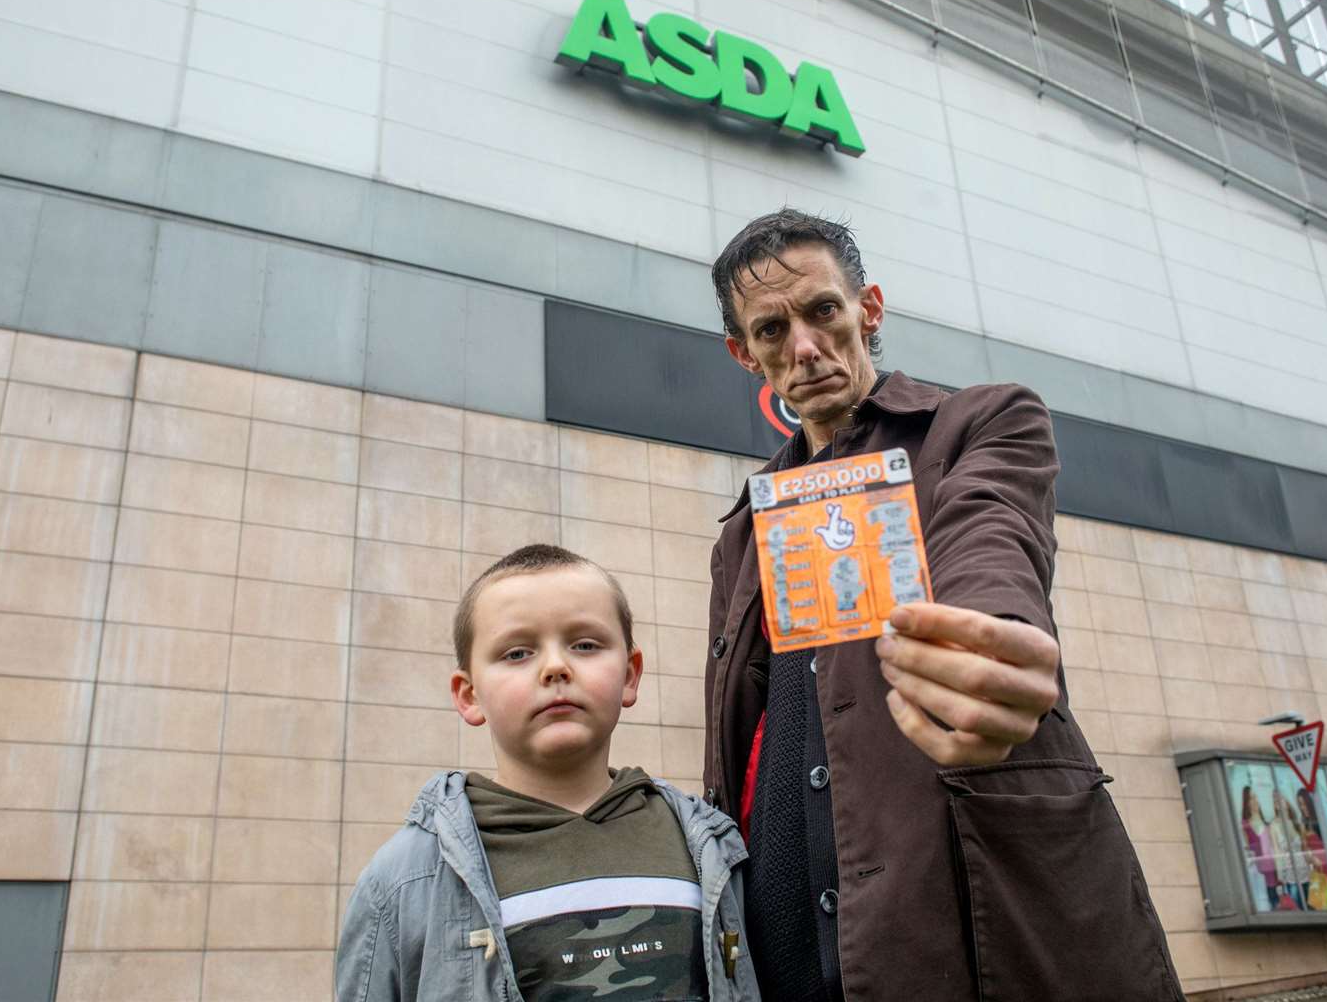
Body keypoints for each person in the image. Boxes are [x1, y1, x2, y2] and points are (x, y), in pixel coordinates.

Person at [703, 209, 1183, 1001]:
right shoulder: (745, 528)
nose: (806, 347)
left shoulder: (976, 423)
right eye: (771, 329)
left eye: (823, 311)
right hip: (785, 931)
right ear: (744, 353)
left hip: (958, 910)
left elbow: (993, 534)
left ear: (870, 309)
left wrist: (992, 642)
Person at [337, 544, 761, 1001]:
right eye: (517, 653)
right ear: (469, 695)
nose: (556, 667)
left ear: (630, 675)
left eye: (585, 645)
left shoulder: (710, 847)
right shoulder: (405, 879)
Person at [1241, 785, 1280, 911]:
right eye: (1251, 798)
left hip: (1273, 871)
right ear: (1246, 803)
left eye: (1256, 797)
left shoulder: (1266, 823)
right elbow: (1247, 850)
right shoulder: (1245, 825)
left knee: (1277, 903)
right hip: (1259, 875)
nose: (1255, 801)